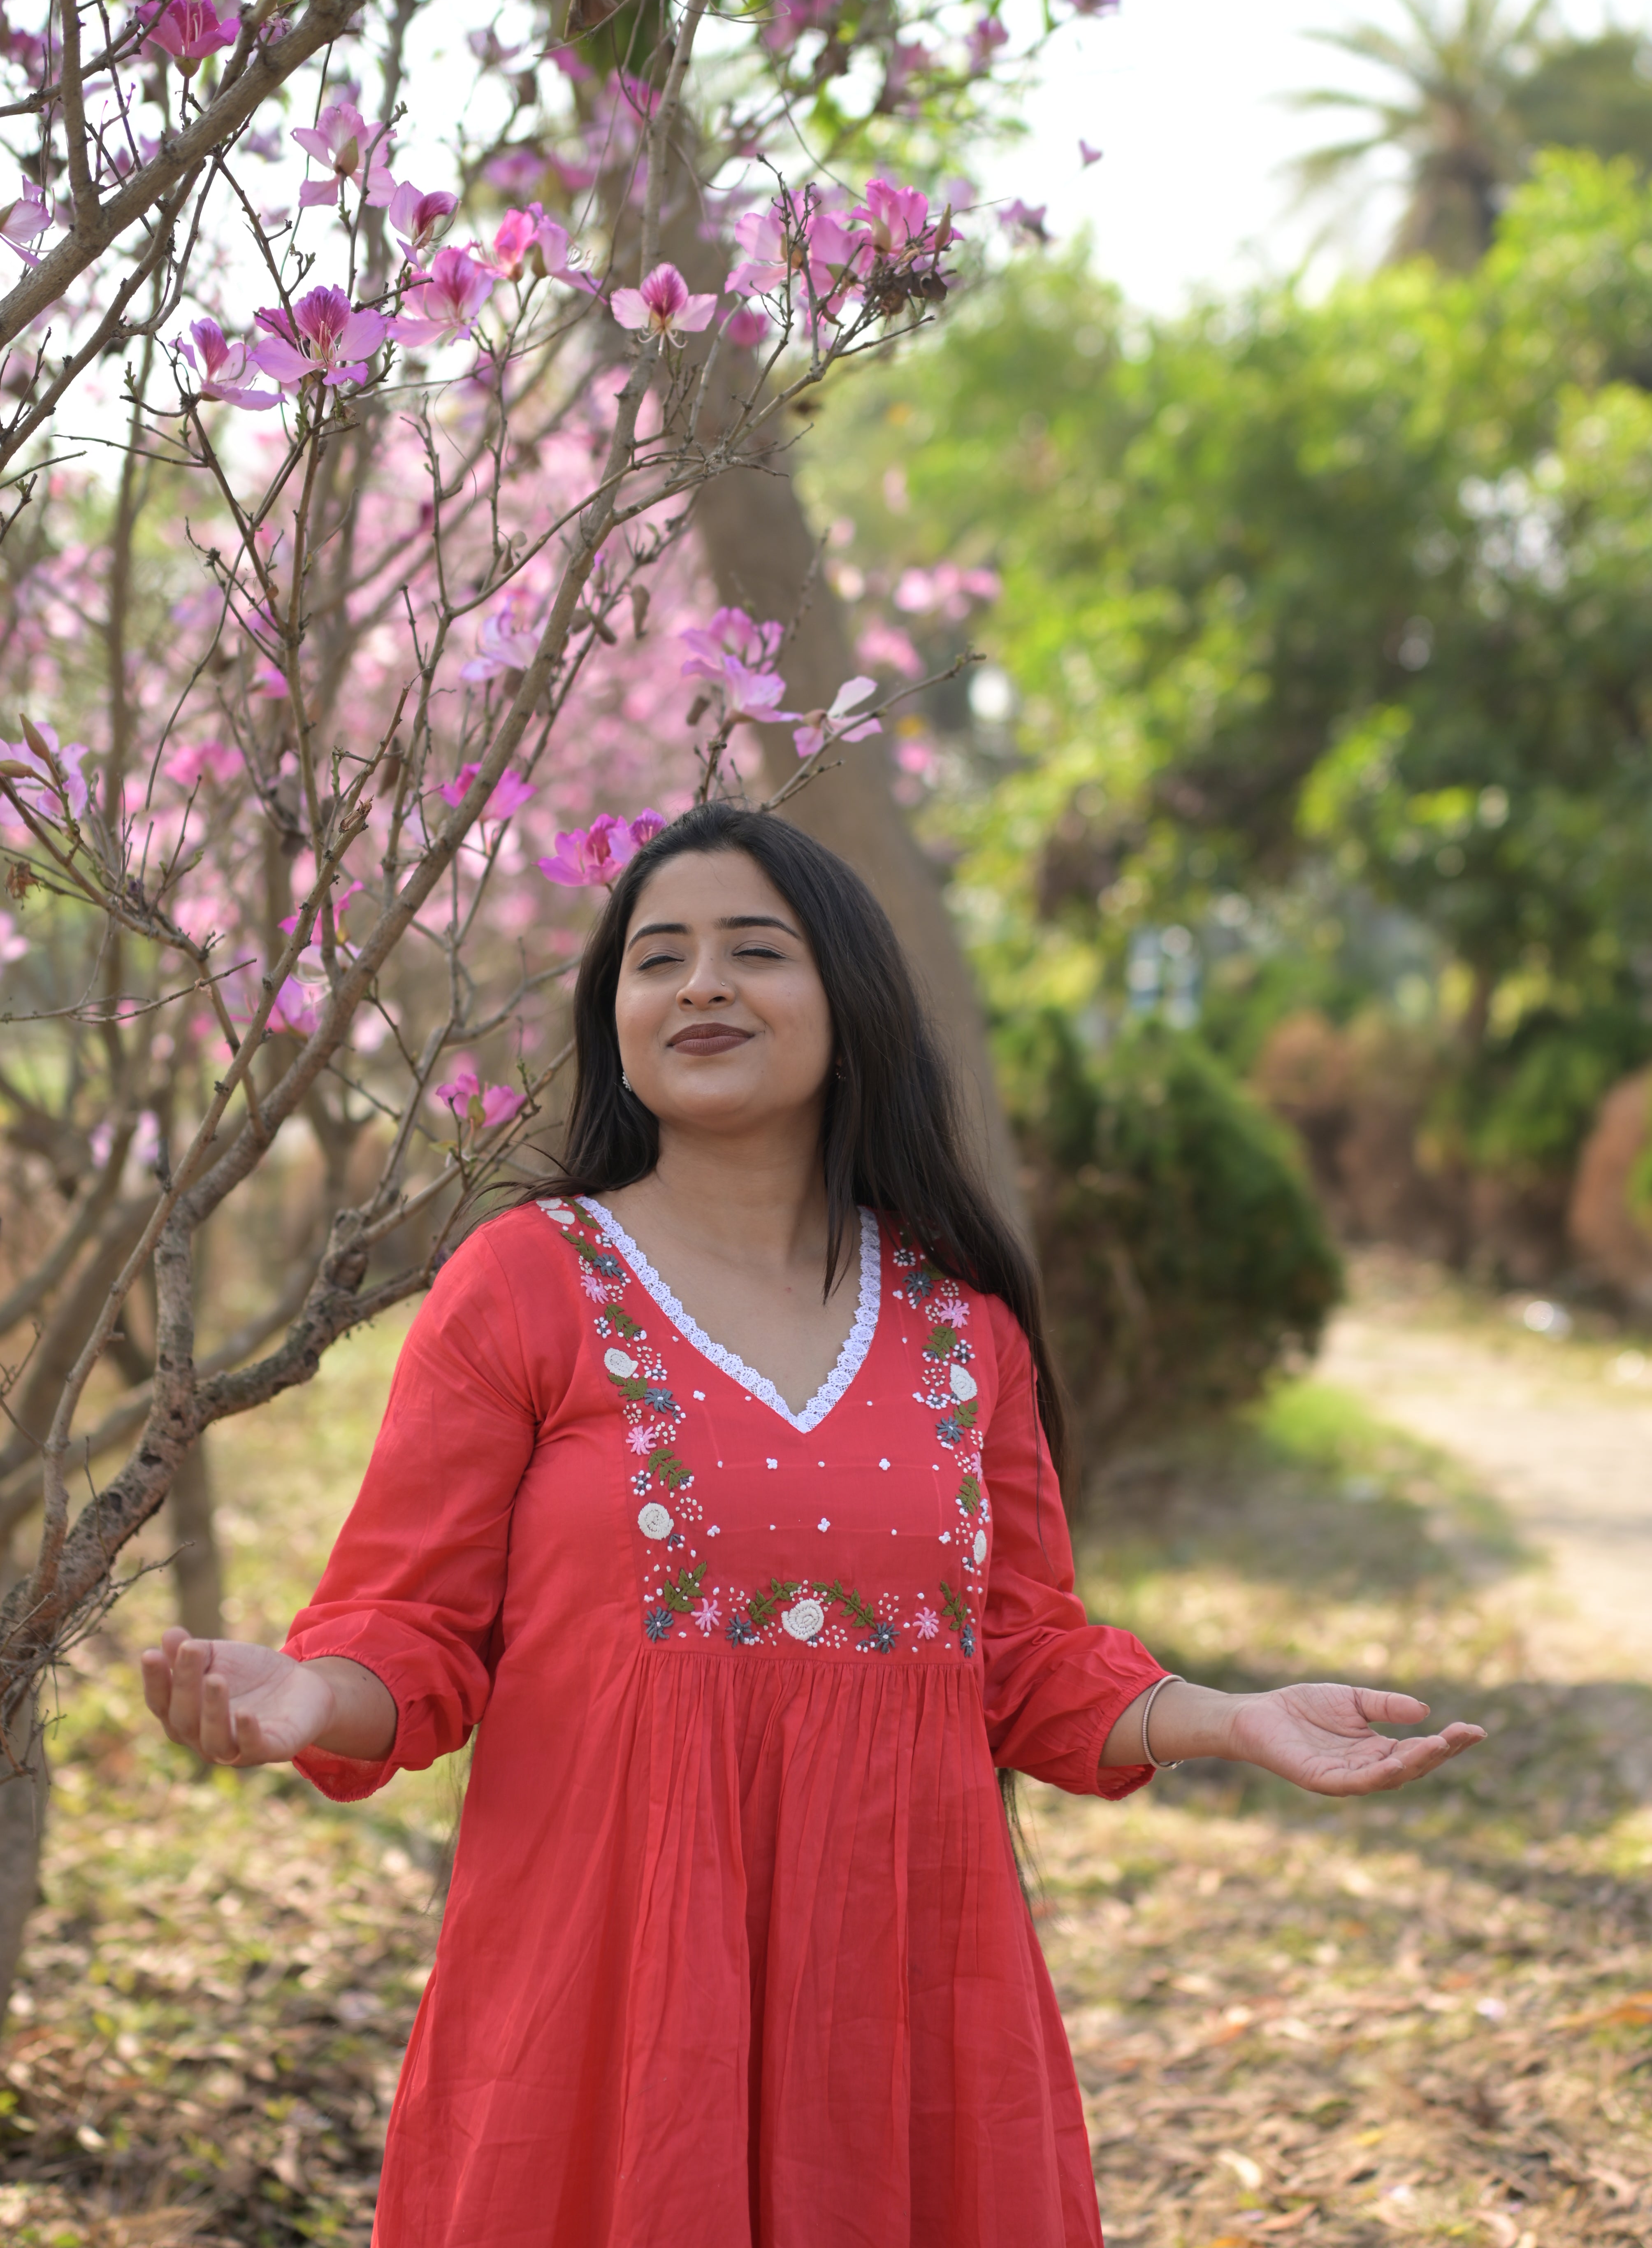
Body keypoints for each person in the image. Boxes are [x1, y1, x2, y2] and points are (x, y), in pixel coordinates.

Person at [142, 801, 1485, 2248]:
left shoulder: (964, 1328)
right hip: (607, 2012)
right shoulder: (524, 1285)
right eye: (659, 958)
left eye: (755, 950)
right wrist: (308, 1697)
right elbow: (413, 1635)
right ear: (614, 1019)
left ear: (849, 1002)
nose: (701, 985)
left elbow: (1024, 1660)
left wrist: (1233, 1721)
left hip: (900, 2007)